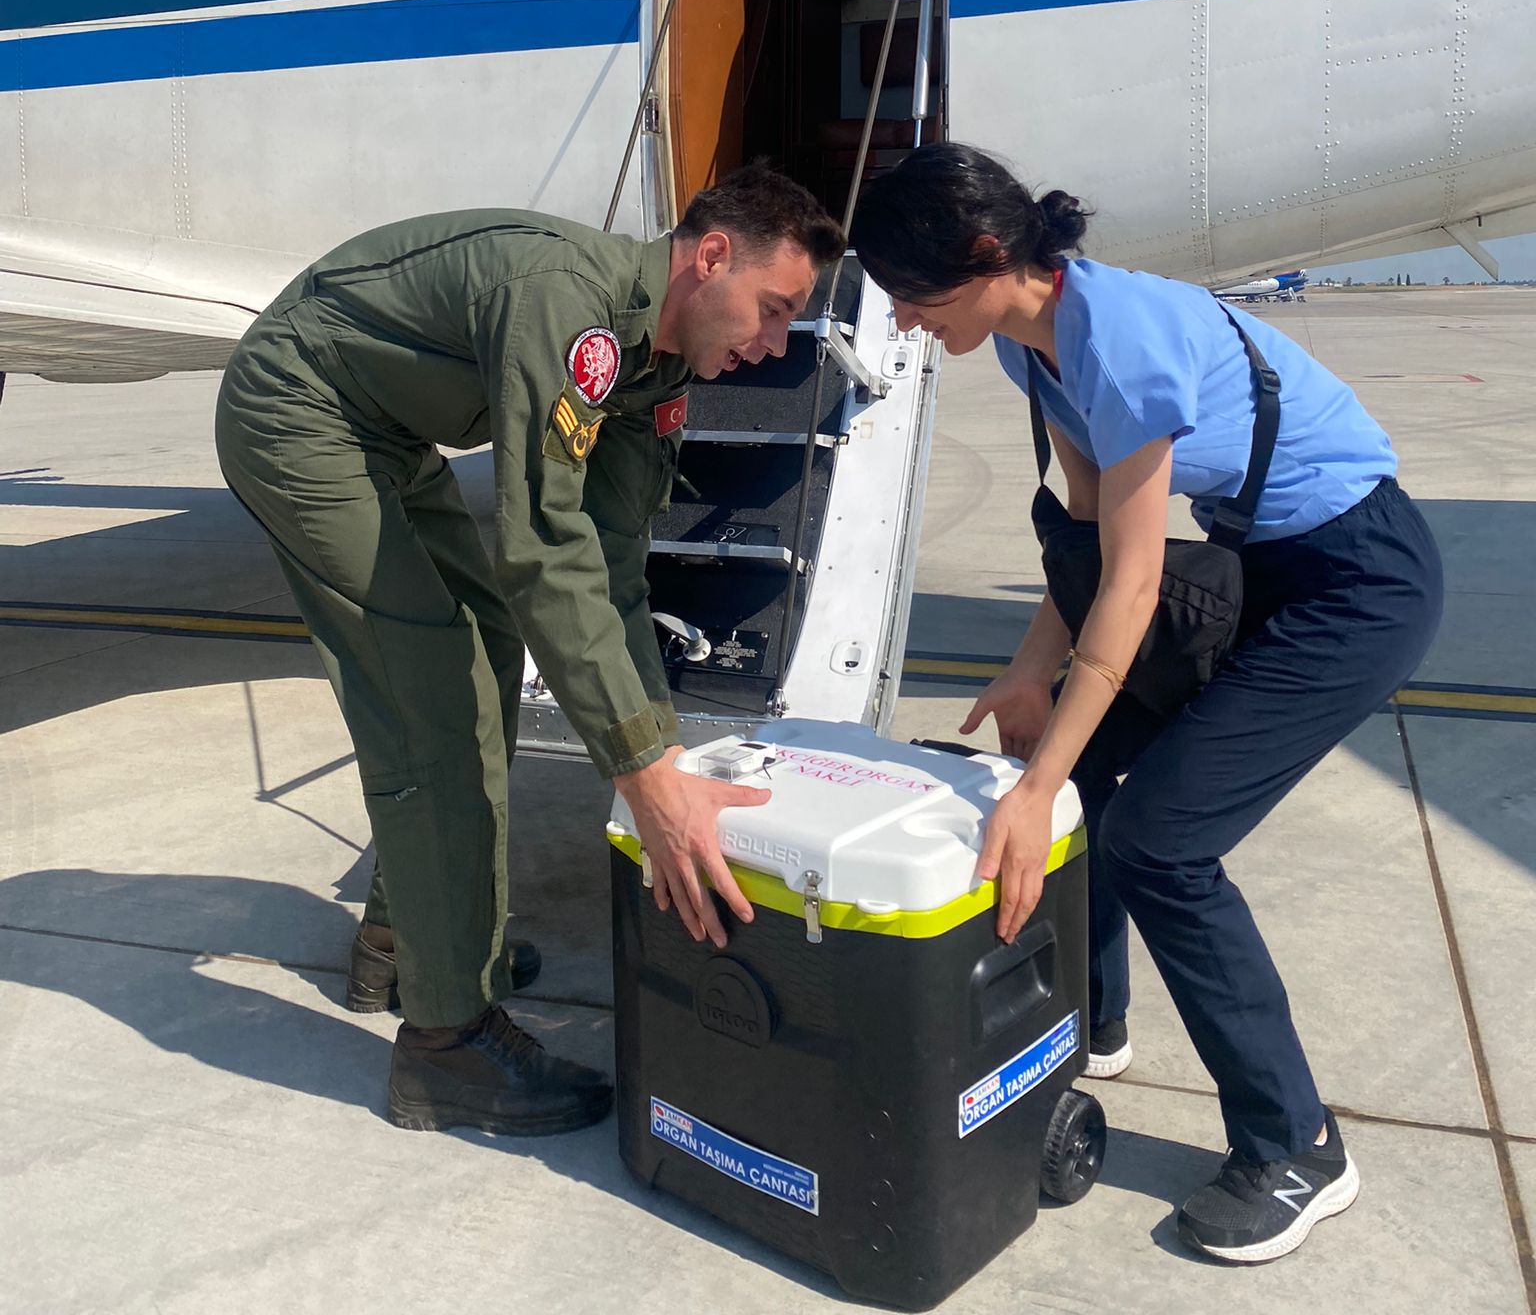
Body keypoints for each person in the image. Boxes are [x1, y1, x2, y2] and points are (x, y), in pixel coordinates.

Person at [850, 143, 1442, 1265]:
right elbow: (1088, 545)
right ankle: (1092, 1014)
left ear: (984, 259)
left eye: (915, 293)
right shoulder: (1039, 347)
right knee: (1079, 767)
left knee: (1162, 839)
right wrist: (1033, 674)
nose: (908, 319)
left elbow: (1131, 581)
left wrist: (1030, 786)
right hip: (1262, 563)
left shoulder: (1115, 343)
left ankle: (1297, 1142)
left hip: (1360, 581)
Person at [216, 166, 844, 1136]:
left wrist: (663, 749)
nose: (771, 347)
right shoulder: (571, 304)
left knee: (490, 653)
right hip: (298, 412)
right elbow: (540, 544)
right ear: (710, 255)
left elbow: (612, 564)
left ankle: (410, 937)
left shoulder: (660, 364)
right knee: (433, 699)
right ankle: (444, 1041)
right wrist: (643, 773)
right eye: (772, 310)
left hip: (384, 436)